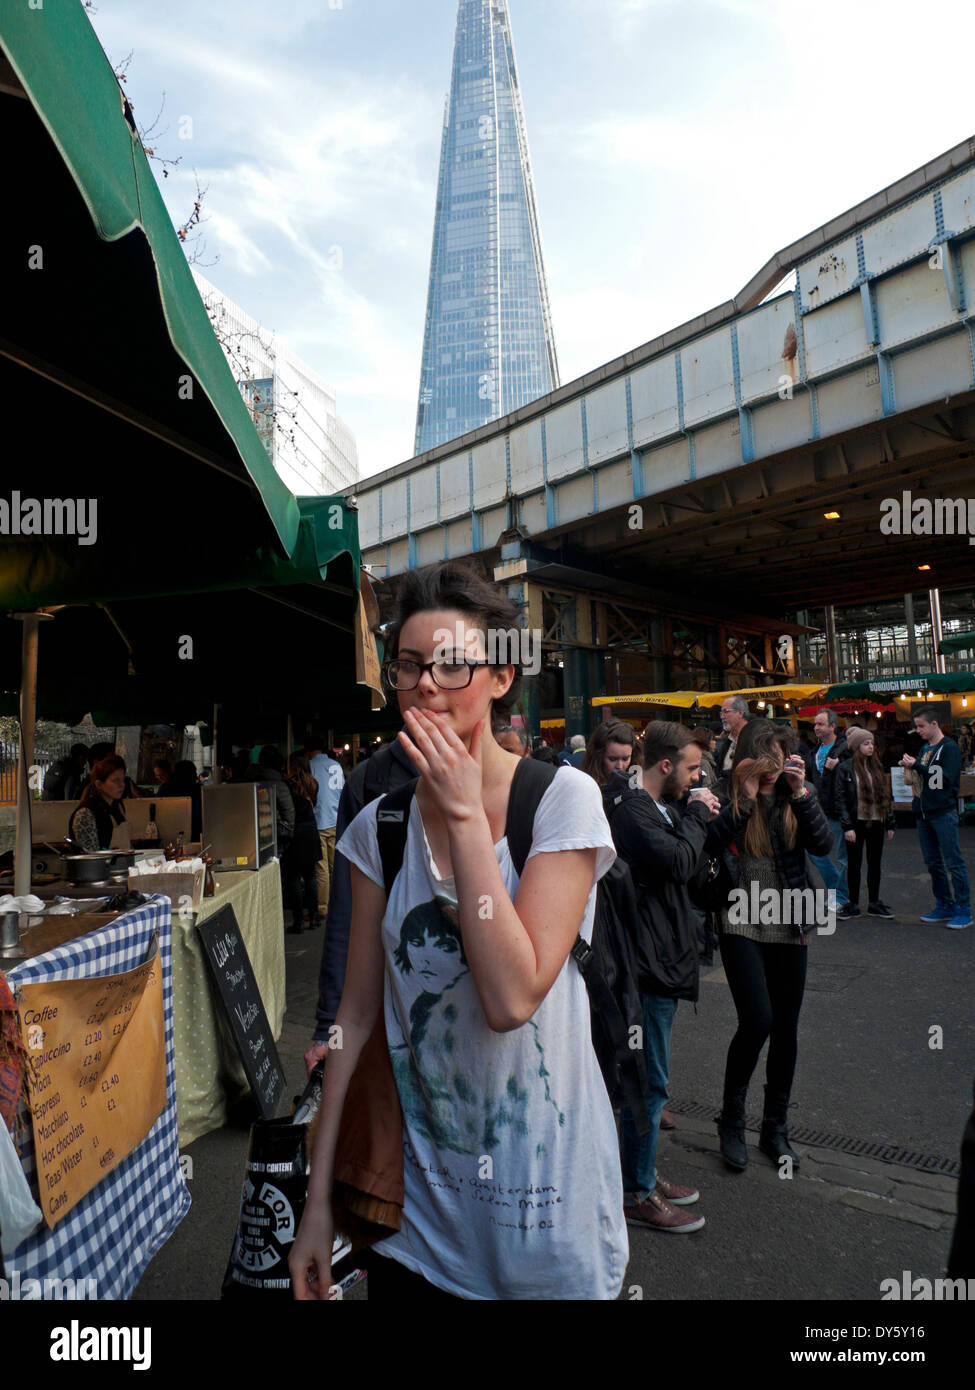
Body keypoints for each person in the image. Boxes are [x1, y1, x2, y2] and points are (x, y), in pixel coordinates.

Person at [290, 560, 626, 1301]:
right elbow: (352, 1019)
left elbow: (511, 999)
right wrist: (316, 1207)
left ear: (501, 679)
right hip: (414, 1231)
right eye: (409, 666)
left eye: (450, 665)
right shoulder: (377, 828)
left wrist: (467, 815)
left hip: (544, 1225)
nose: (425, 685)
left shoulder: (561, 801)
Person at [602, 722, 721, 1233]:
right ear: (667, 765)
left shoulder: (658, 807)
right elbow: (676, 861)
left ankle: (641, 1173)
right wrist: (696, 815)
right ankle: (636, 1193)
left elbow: (694, 869)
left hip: (662, 958)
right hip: (646, 965)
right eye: (692, 768)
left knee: (650, 1083)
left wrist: (715, 819)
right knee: (647, 1085)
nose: (697, 778)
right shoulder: (632, 809)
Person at [707, 724, 833, 1172]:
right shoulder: (725, 795)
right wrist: (742, 797)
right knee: (757, 1020)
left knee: (786, 1028)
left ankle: (774, 1129)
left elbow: (823, 844)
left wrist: (801, 794)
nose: (771, 768)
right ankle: (731, 1122)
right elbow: (711, 842)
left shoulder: (794, 795)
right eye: (763, 757)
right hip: (740, 919)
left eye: (778, 758)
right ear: (745, 757)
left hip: (789, 919)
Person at [902, 707, 972, 929]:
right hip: (924, 813)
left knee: (953, 861)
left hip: (942, 812)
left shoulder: (949, 748)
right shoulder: (925, 748)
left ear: (935, 724)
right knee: (933, 863)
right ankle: (945, 904)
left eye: (921, 726)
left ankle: (964, 909)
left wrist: (917, 766)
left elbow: (946, 780)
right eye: (916, 726)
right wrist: (911, 769)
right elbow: (925, 779)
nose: (918, 730)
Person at [835, 728, 895, 919]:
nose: (871, 747)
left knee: (875, 863)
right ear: (856, 747)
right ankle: (853, 903)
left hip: (876, 821)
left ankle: (874, 902)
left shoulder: (876, 765)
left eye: (871, 743)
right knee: (854, 864)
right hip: (856, 822)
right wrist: (847, 826)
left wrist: (890, 823)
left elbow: (886, 795)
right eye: (866, 743)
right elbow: (841, 799)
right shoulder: (845, 768)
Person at [807, 709, 851, 917]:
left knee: (842, 856)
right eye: (815, 724)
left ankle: (842, 897)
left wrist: (840, 765)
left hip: (838, 809)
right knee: (815, 852)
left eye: (821, 724)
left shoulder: (843, 748)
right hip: (819, 809)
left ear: (833, 726)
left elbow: (858, 769)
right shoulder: (813, 752)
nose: (816, 728)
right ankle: (838, 890)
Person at [283, 753, 323, 933]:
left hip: (296, 831)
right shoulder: (313, 783)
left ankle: (298, 922)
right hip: (311, 830)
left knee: (293, 878)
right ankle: (314, 918)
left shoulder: (288, 785)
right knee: (311, 876)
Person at [306, 733, 345, 918]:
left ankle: (323, 907)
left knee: (321, 868)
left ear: (308, 750)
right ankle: (341, 903)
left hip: (319, 821)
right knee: (336, 867)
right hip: (337, 820)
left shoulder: (310, 767)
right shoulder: (336, 765)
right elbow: (342, 791)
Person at [67, 755, 128, 852]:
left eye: (123, 780)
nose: (122, 785)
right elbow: (91, 855)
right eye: (116, 781)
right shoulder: (85, 813)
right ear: (99, 784)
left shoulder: (118, 807)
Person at [244, 745, 295, 853]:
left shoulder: (247, 780)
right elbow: (289, 817)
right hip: (273, 838)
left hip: (248, 836)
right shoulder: (279, 785)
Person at [713, 696, 763, 796]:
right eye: (721, 713)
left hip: (748, 801)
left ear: (740, 713)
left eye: (726, 712)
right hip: (727, 800)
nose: (722, 717)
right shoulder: (727, 742)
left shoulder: (756, 739)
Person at [580, 720, 636, 786]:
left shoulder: (640, 787)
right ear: (598, 756)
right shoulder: (584, 785)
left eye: (625, 759)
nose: (619, 766)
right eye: (612, 759)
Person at [157, 759, 202, 841]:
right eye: (194, 773)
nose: (196, 776)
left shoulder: (165, 789)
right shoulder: (197, 790)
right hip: (196, 835)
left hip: (170, 835)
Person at [689, 726, 718, 791]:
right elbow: (706, 787)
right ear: (706, 741)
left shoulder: (697, 758)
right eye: (712, 739)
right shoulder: (704, 762)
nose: (715, 742)